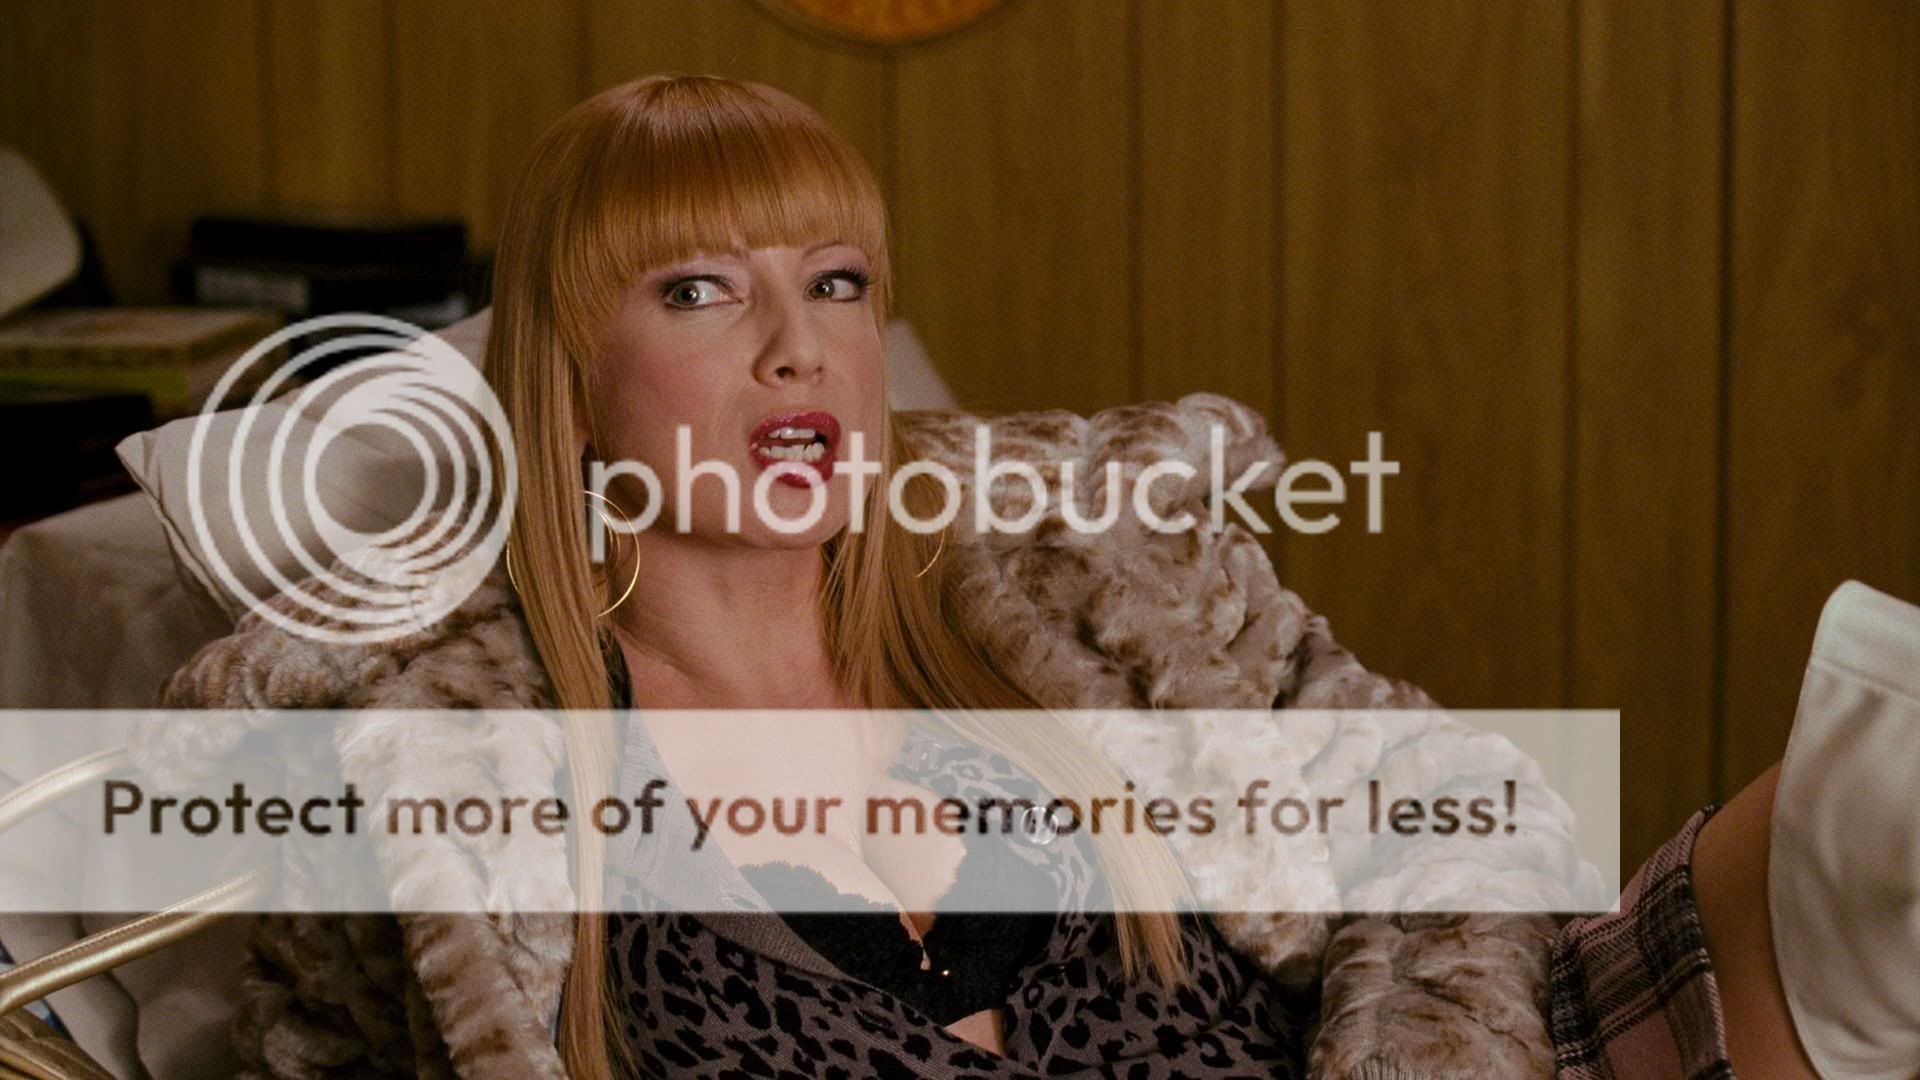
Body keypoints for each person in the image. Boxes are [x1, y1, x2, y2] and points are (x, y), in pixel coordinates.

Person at [480, 73, 1818, 1079]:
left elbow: (1460, 808)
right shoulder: (490, 778)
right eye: (699, 292)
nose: (799, 346)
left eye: (836, 283)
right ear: (572, 380)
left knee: (1843, 809)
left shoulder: (1066, 606)